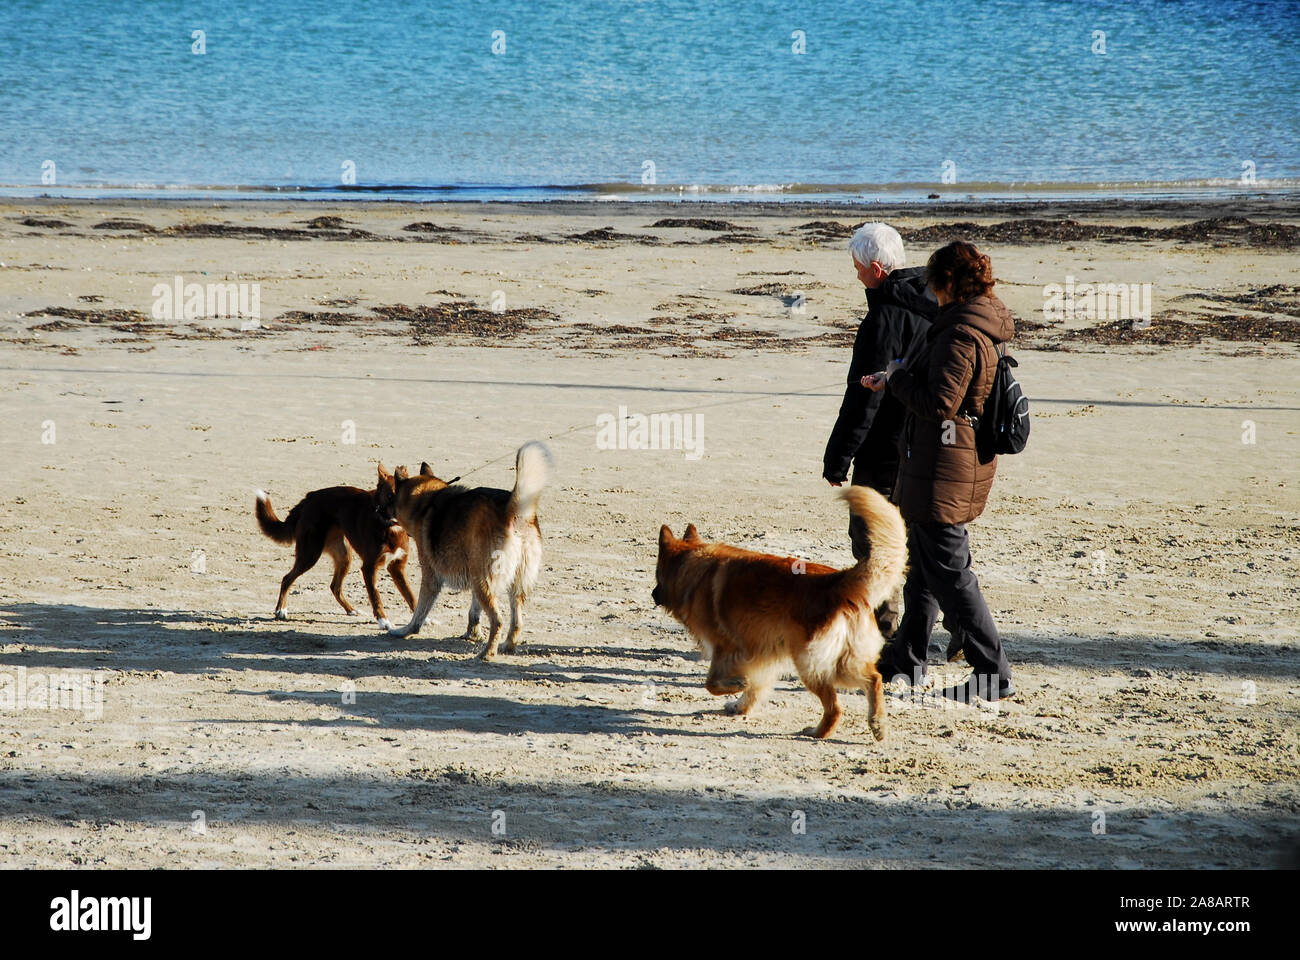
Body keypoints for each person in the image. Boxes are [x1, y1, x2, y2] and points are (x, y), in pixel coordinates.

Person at [861, 240, 1014, 702]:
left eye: (933, 283)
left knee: (952, 573)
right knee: (925, 571)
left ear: (949, 283)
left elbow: (940, 403)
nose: (930, 291)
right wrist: (905, 373)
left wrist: (896, 379)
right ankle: (906, 662)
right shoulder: (969, 323)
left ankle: (994, 675)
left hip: (945, 468)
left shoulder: (962, 334)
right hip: (940, 464)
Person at [822, 223, 936, 637]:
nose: (854, 276)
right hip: (928, 443)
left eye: (857, 268)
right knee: (927, 540)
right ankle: (955, 626)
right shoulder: (936, 300)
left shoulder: (884, 317)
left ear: (875, 268)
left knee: (871, 539)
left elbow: (863, 399)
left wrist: (838, 457)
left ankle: (883, 630)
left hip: (886, 448)